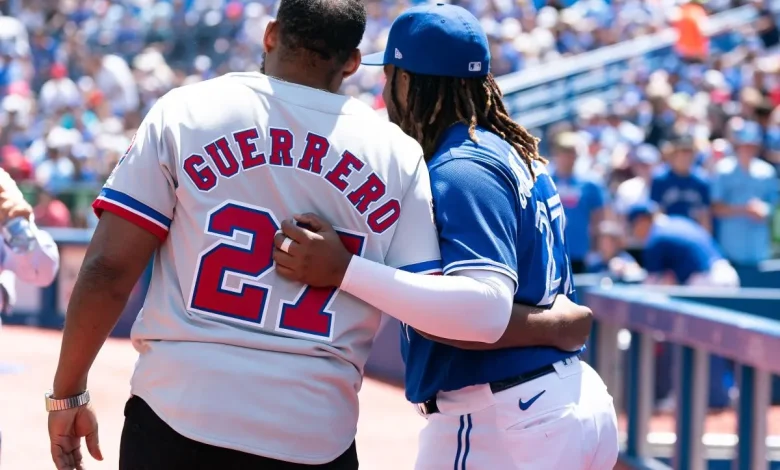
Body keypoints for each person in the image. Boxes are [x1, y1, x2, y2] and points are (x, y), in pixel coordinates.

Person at [44, 1, 591, 470]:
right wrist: (553, 324)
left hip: (178, 409)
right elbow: (438, 308)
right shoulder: (395, 151)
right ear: (353, 62)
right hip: (314, 430)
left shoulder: (187, 110)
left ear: (272, 34)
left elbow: (109, 271)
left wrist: (67, 393)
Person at [272, 4, 618, 469]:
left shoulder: (462, 167)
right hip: (555, 400)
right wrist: (560, 326)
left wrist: (343, 270)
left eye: (389, 76)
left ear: (409, 81)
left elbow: (480, 312)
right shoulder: (512, 152)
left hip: (507, 415)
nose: (385, 92)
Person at [711, 121, 778, 270]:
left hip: (758, 250)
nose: (748, 149)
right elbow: (716, 208)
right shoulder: (723, 170)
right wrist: (744, 209)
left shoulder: (766, 172)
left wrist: (764, 210)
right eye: (745, 145)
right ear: (738, 145)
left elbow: (773, 206)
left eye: (752, 145)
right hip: (730, 250)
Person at [550, 131, 609, 274]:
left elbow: (599, 219)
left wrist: (595, 250)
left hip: (580, 252)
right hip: (551, 251)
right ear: (556, 153)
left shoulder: (590, 183)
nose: (569, 157)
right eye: (564, 152)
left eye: (572, 152)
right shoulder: (545, 181)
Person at [649, 135, 712, 232]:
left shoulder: (701, 181)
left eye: (689, 153)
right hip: (668, 232)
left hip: (693, 232)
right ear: (673, 154)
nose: (685, 157)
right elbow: (656, 212)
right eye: (682, 152)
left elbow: (704, 215)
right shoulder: (660, 179)